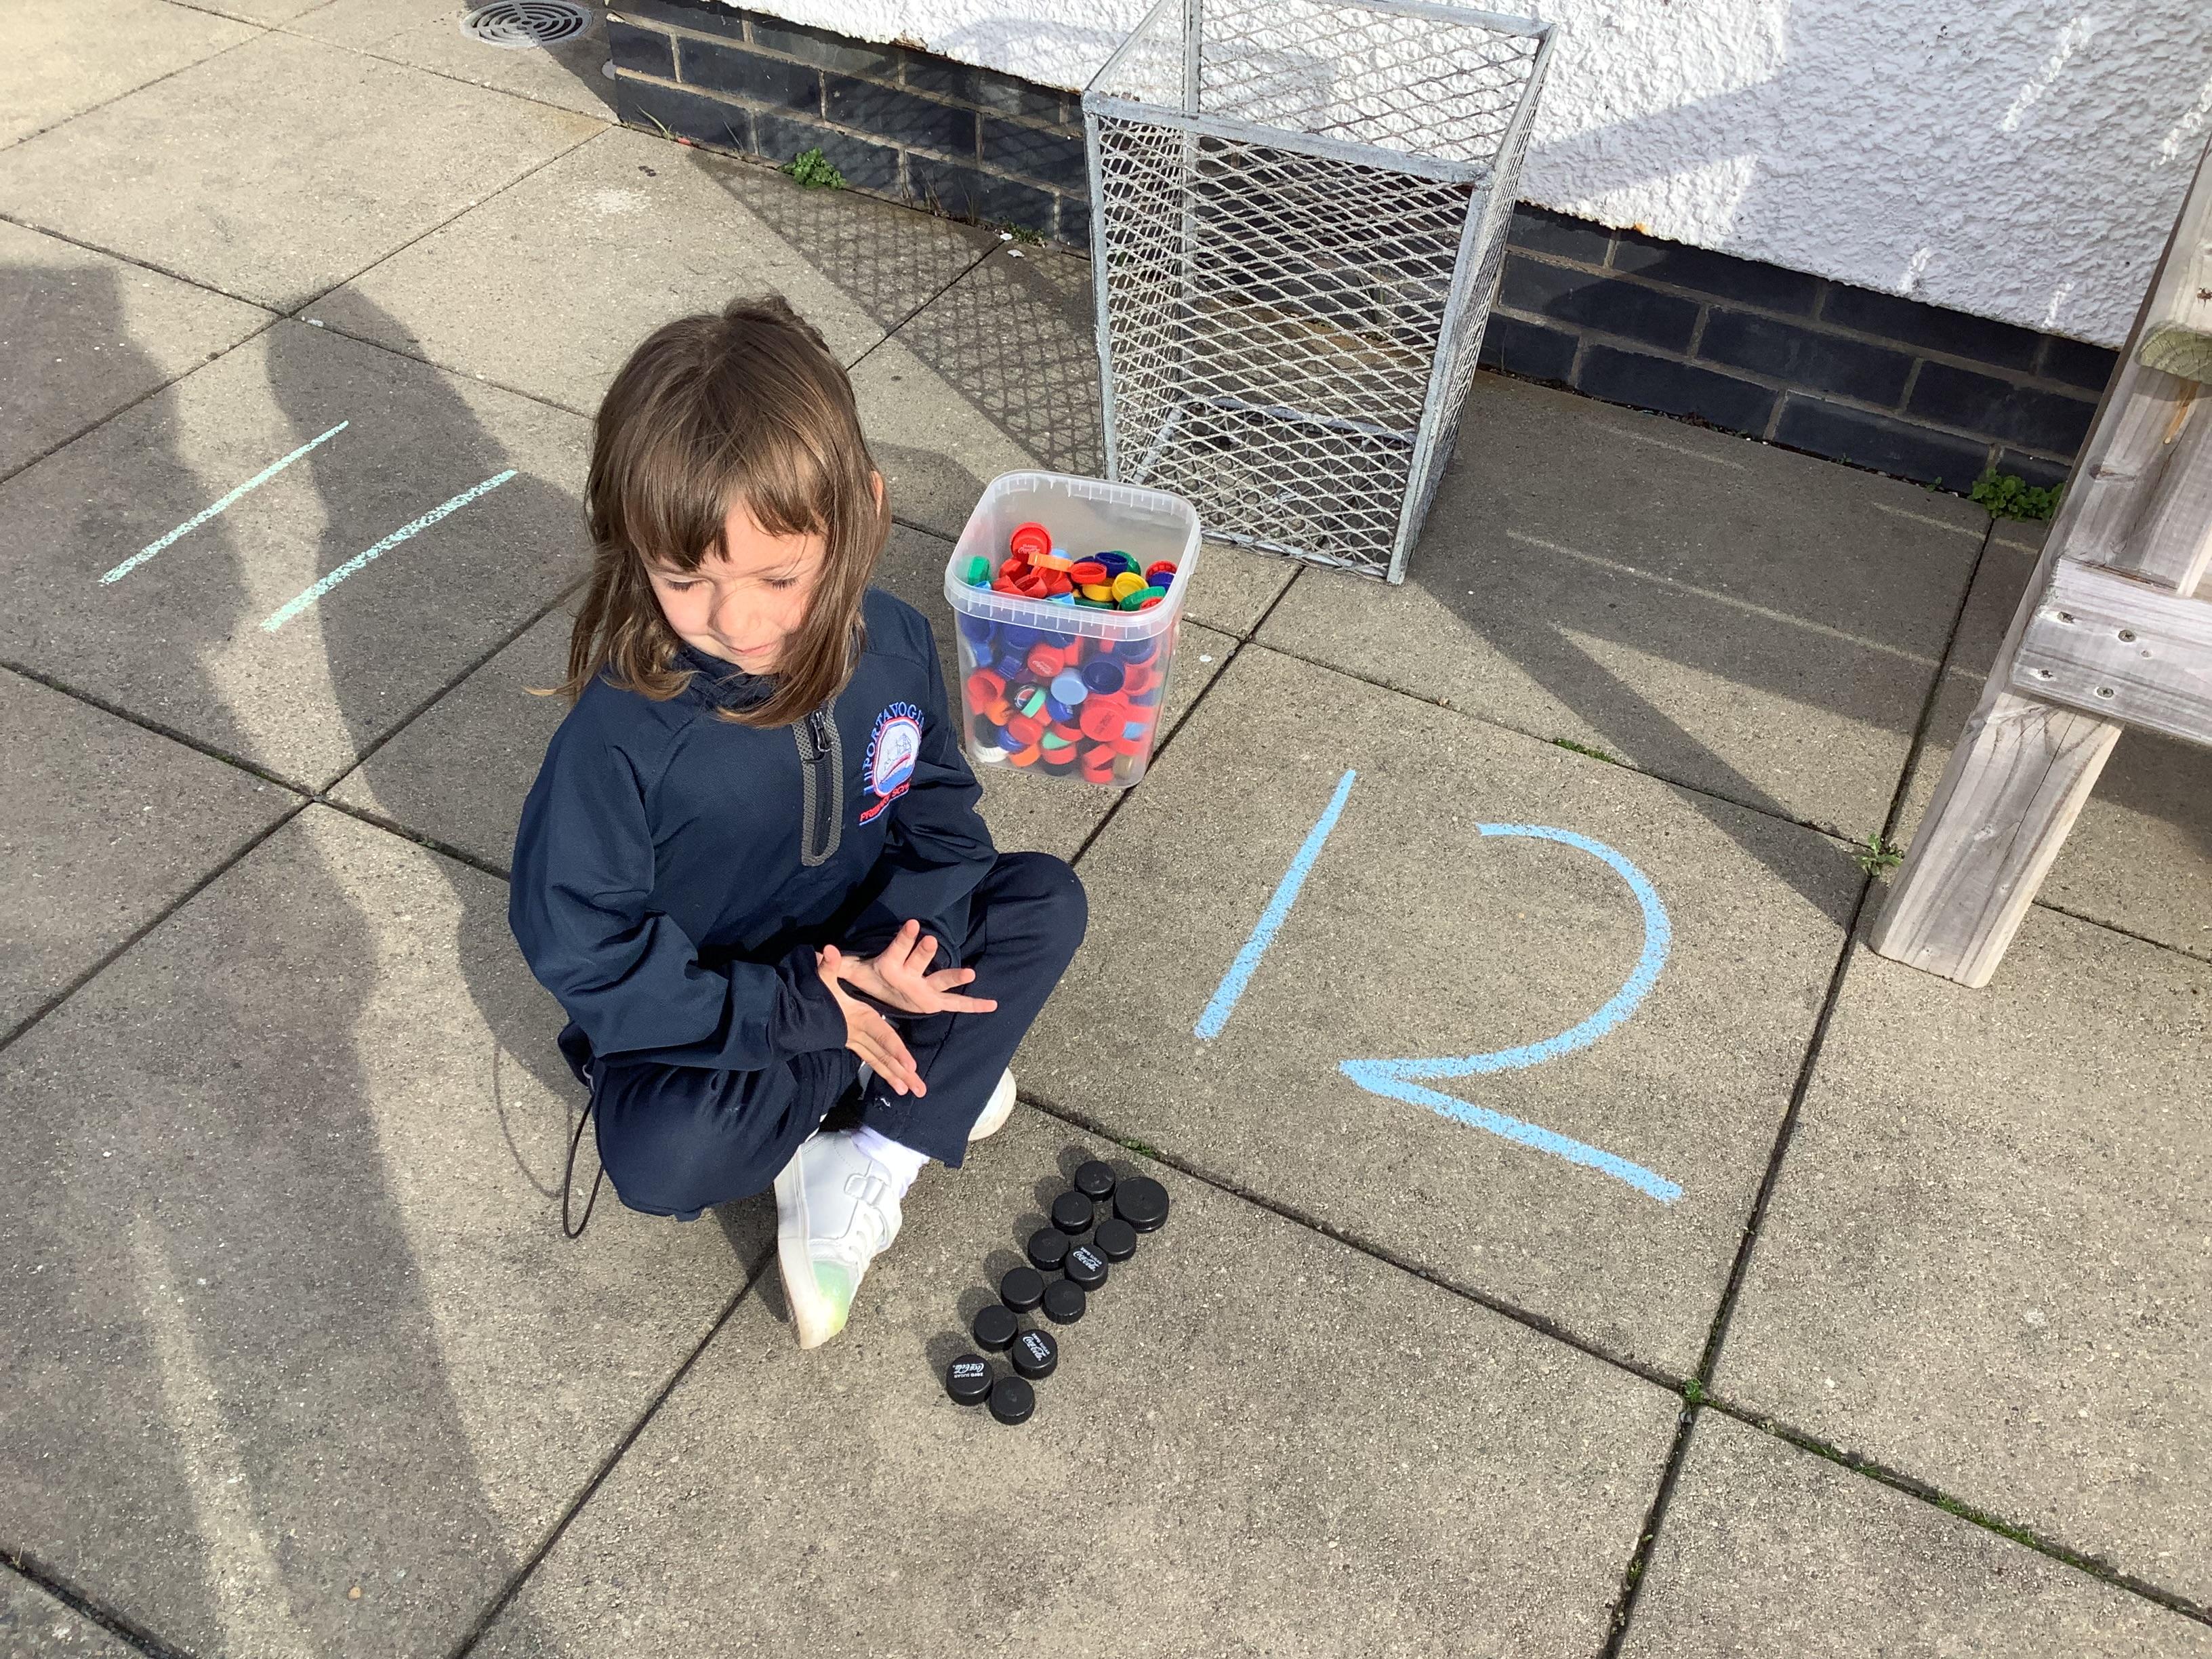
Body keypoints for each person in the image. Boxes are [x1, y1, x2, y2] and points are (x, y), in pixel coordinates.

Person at [509, 293, 1087, 1349]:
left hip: (858, 963)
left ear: (861, 512)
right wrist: (807, 1013)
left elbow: (942, 826)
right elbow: (585, 950)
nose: (739, 619)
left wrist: (899, 958)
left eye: (779, 575)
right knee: (663, 1160)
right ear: (635, 551)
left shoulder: (894, 644)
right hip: (727, 1015)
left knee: (1044, 901)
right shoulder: (622, 737)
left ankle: (870, 1157)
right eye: (685, 579)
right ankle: (905, 1073)